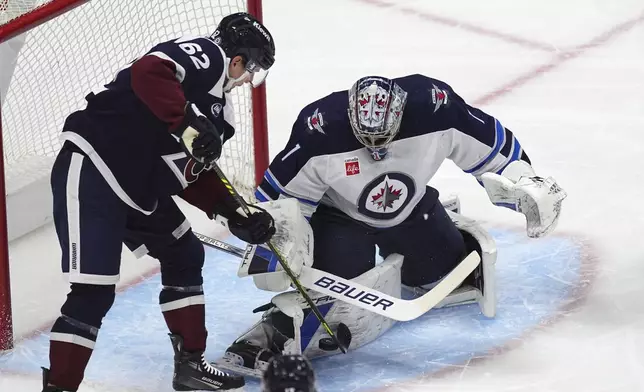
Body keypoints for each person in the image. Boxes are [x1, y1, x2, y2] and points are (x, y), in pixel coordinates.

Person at [215, 74, 567, 375]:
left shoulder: (436, 108)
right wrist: (285, 239)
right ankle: (271, 332)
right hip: (340, 218)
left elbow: (497, 151)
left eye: (383, 139)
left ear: (401, 113)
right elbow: (278, 200)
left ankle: (436, 241)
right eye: (365, 140)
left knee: (440, 277)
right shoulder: (320, 129)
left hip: (411, 208)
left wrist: (525, 183)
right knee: (334, 309)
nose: (376, 151)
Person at [42, 12, 276, 392]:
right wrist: (185, 122)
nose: (250, 80)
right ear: (239, 60)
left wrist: (233, 210)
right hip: (94, 170)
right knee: (92, 292)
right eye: (253, 70)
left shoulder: (221, 114)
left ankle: (190, 367)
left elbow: (187, 172)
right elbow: (149, 70)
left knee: (184, 254)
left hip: (139, 186)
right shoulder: (208, 56)